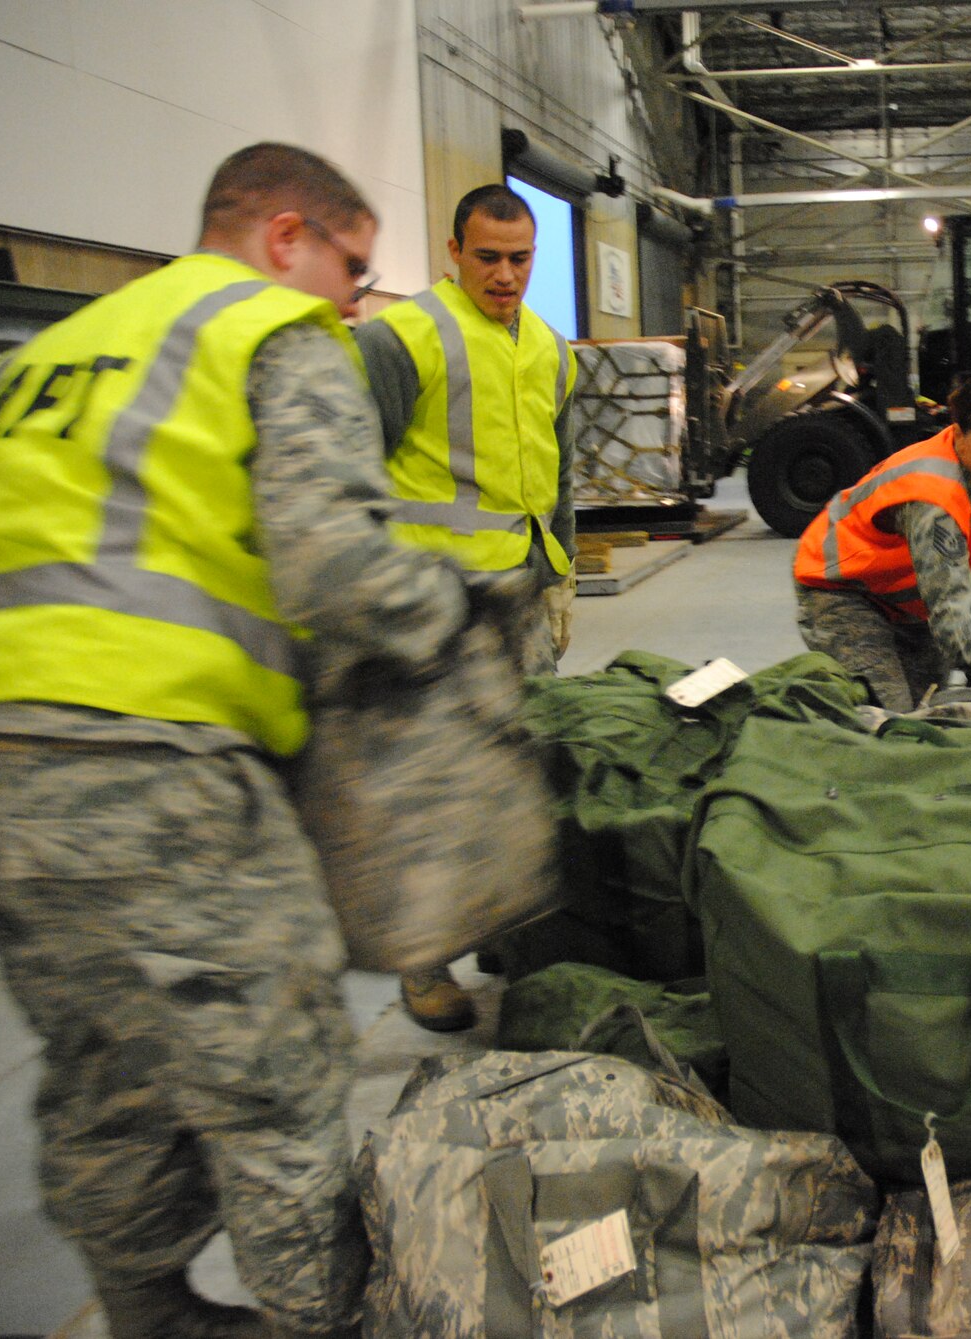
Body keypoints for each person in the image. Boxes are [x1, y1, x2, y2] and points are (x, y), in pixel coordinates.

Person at [0, 144, 470, 1339]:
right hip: (147, 763)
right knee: (275, 1073)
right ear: (285, 236)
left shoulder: (34, 362)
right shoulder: (270, 332)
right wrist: (444, 605)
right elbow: (333, 564)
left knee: (106, 1058)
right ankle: (318, 1318)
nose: (354, 296)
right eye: (349, 263)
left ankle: (147, 1311)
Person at [355, 183, 578, 1031]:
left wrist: (561, 575)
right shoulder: (399, 338)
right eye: (487, 256)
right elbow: (352, 474)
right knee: (428, 779)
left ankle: (503, 931)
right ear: (454, 251)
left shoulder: (553, 350)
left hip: (520, 594)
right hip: (433, 601)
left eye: (520, 258)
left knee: (523, 764)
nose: (505, 274)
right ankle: (423, 962)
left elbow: (562, 468)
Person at [794, 373, 971, 711]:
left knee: (928, 707)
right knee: (891, 721)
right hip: (845, 594)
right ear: (958, 435)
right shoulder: (933, 500)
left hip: (913, 603)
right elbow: (954, 622)